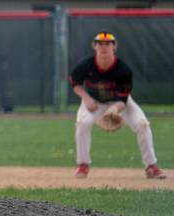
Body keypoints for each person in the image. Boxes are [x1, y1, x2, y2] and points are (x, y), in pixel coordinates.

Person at [69, 31, 166, 179]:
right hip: (94, 102)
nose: (103, 47)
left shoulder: (123, 69)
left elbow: (124, 99)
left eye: (108, 44)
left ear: (114, 47)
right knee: (83, 122)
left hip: (120, 103)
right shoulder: (86, 65)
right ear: (94, 46)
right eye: (100, 43)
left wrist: (114, 109)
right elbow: (75, 83)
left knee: (142, 124)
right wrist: (86, 98)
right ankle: (83, 165)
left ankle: (151, 166)